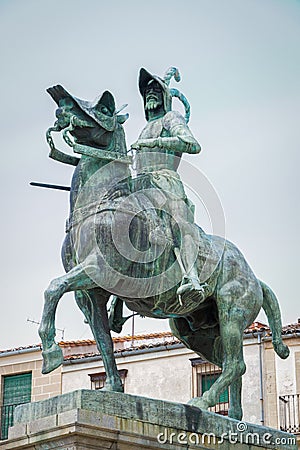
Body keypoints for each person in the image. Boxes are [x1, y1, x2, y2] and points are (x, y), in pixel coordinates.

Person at [131, 67, 208, 304]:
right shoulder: (145, 126)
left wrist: (156, 141)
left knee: (181, 223)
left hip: (166, 181)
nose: (150, 94)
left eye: (155, 89)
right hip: (140, 184)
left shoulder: (170, 118)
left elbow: (192, 145)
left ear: (165, 96)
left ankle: (192, 277)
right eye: (147, 91)